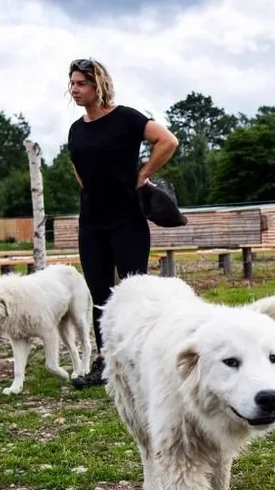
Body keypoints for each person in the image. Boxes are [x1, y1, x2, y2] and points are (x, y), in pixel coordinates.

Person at [65, 58, 179, 389]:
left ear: (97, 85)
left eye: (80, 83)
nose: (74, 89)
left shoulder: (126, 118)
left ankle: (140, 360)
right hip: (91, 222)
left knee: (133, 292)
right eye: (71, 83)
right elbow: (78, 167)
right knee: (100, 292)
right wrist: (91, 189)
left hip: (127, 220)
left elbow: (167, 141)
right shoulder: (76, 129)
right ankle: (107, 364)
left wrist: (143, 174)